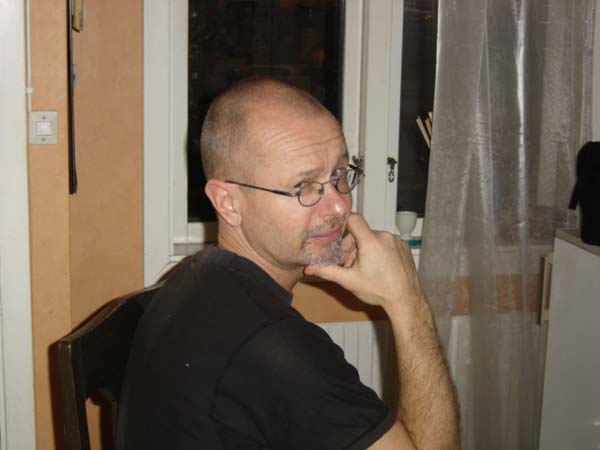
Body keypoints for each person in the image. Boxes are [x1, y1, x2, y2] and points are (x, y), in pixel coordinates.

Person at [116, 79, 459, 450]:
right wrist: (407, 301)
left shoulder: (199, 276)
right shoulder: (272, 347)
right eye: (304, 187)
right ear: (228, 203)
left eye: (339, 175)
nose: (340, 206)